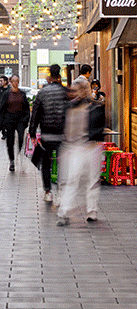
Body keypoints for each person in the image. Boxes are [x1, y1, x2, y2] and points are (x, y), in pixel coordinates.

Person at [56, 79, 105, 226]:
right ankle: (63, 212)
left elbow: (99, 128)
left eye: (75, 90)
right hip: (75, 148)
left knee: (92, 180)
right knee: (72, 180)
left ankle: (92, 211)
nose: (73, 93)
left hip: (91, 147)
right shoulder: (69, 107)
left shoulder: (95, 107)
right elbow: (64, 128)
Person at [28, 64, 69, 204]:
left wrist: (32, 133)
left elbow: (35, 113)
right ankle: (61, 192)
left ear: (49, 76)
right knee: (62, 163)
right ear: (59, 75)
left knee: (46, 163)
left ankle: (48, 192)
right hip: (63, 135)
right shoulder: (65, 92)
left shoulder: (43, 92)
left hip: (46, 134)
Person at [0, 75, 30, 171]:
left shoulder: (22, 94)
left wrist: (26, 119)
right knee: (10, 141)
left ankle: (20, 151)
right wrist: (1, 123)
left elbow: (26, 108)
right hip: (10, 120)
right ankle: (12, 160)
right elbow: (2, 109)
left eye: (17, 81)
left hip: (20, 119)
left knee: (20, 137)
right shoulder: (7, 94)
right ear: (10, 82)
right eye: (13, 81)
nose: (15, 83)